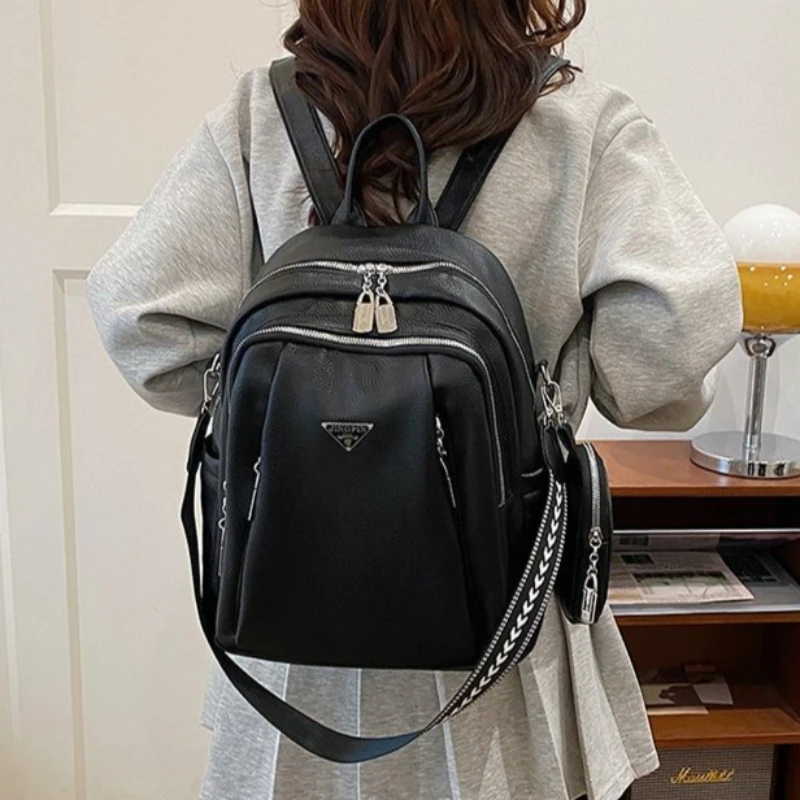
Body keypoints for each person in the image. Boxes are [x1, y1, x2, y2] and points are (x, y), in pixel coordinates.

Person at [86, 1, 743, 798]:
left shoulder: (264, 114)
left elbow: (140, 319)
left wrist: (282, 405)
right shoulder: (579, 123)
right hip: (508, 638)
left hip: (289, 652)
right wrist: (556, 386)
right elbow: (666, 361)